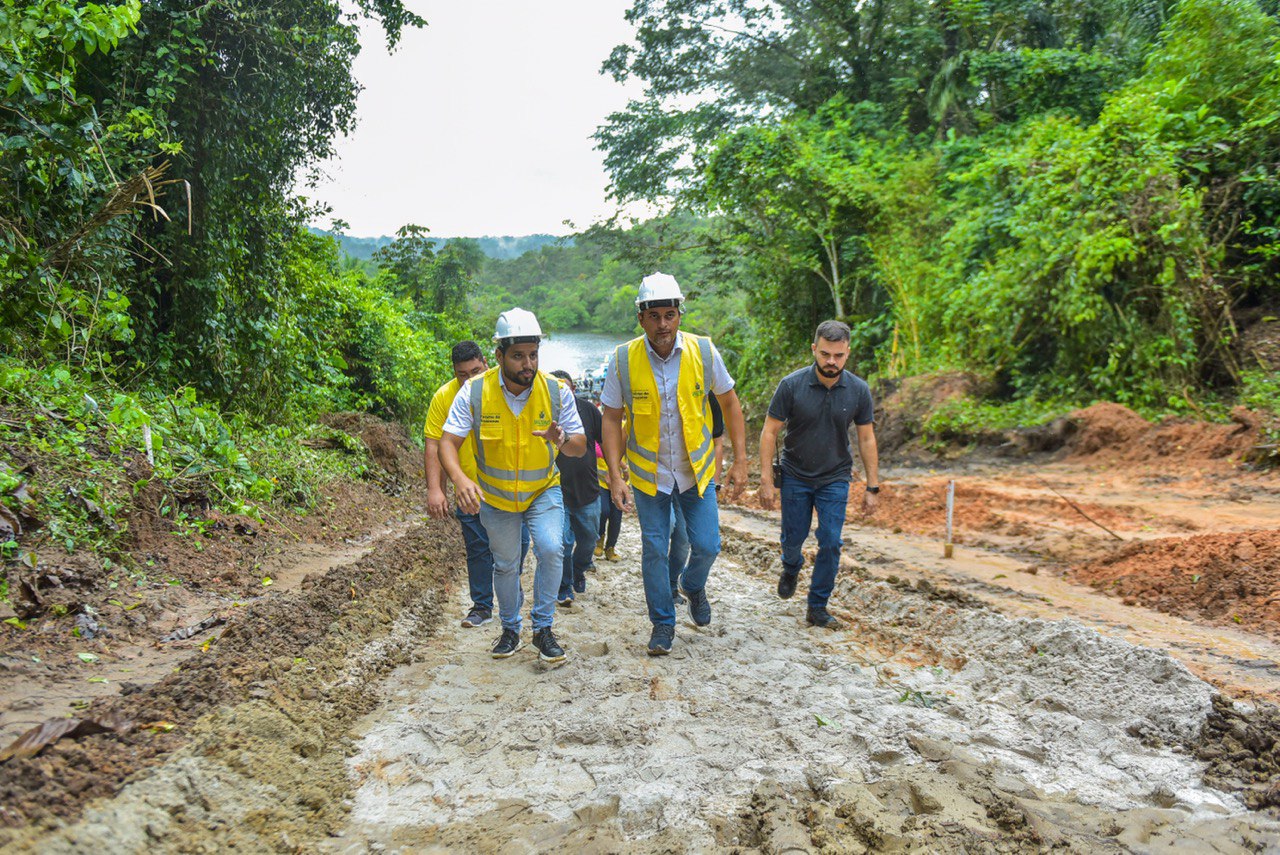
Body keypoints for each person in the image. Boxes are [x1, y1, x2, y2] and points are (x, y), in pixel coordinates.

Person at [601, 272, 748, 656]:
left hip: (695, 473)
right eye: (655, 316)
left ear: (679, 314)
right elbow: (611, 417)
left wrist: (739, 460)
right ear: (641, 318)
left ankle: (693, 585)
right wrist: (615, 476)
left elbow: (730, 403)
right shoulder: (623, 359)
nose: (663, 325)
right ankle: (663, 624)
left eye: (670, 315)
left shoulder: (703, 351)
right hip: (650, 477)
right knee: (654, 547)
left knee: (708, 544)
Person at [439, 308, 587, 664]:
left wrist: (561, 437)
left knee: (552, 548)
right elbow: (447, 442)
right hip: (497, 497)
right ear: (499, 355)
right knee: (506, 564)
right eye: (518, 356)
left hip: (542, 490)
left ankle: (543, 629)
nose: (528, 364)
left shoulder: (555, 391)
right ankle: (509, 628)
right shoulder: (475, 392)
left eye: (533, 355)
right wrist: (459, 479)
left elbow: (579, 445)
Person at [757, 320, 880, 629]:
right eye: (825, 354)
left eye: (838, 356)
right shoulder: (792, 385)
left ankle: (817, 606)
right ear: (814, 349)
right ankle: (791, 565)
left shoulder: (858, 390)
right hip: (796, 473)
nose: (831, 362)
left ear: (847, 353)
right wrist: (766, 480)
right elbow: (770, 432)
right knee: (793, 539)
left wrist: (872, 486)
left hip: (835, 476)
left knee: (830, 540)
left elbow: (866, 438)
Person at [423, 341, 494, 628]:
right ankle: (482, 606)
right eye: (462, 375)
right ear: (454, 373)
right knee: (477, 548)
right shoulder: (445, 397)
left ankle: (512, 600)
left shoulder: (505, 387)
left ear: (487, 363)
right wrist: (435, 489)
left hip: (508, 487)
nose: (469, 380)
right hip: (467, 487)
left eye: (475, 371)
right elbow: (433, 444)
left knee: (511, 549)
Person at [549, 370, 601, 606]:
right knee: (564, 542)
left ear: (574, 390)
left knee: (589, 539)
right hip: (557, 491)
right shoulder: (543, 414)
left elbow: (605, 439)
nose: (564, 394)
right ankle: (565, 586)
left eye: (568, 389)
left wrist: (615, 469)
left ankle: (579, 569)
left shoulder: (588, 410)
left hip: (588, 489)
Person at [668, 393, 723, 606]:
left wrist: (715, 481)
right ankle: (662, 592)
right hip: (659, 479)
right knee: (663, 532)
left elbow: (717, 442)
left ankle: (681, 583)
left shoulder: (709, 397)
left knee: (684, 538)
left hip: (693, 480)